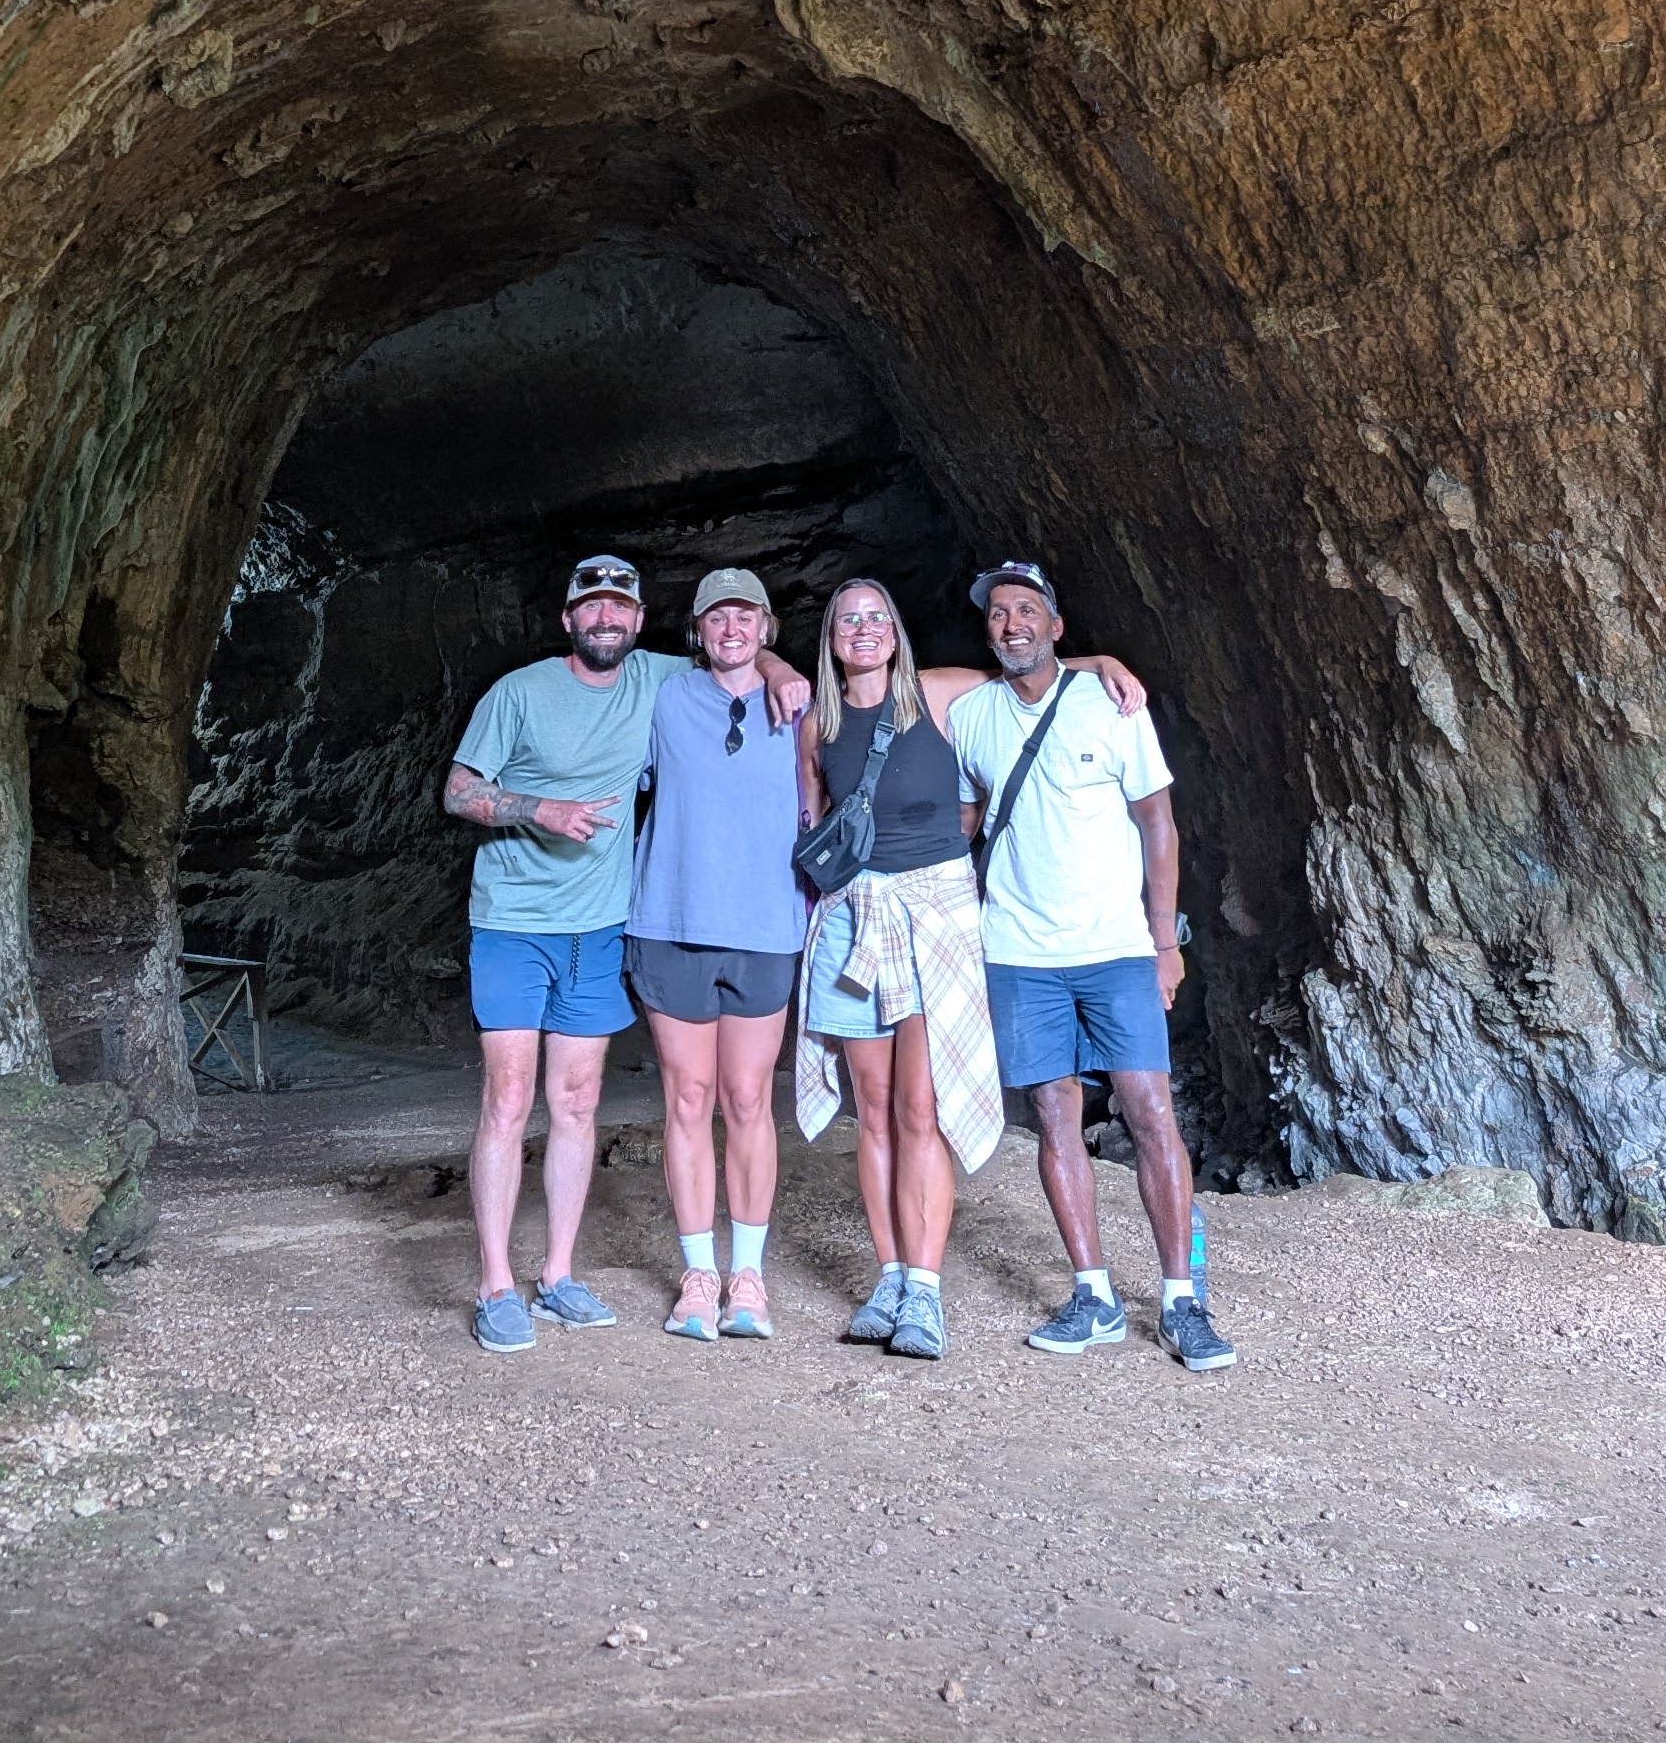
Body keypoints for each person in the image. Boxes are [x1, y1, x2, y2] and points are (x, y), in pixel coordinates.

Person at [443, 554, 807, 1353]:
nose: (606, 620)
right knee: (509, 1097)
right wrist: (539, 808)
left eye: (621, 609)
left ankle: (561, 1275)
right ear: (569, 618)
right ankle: (496, 1284)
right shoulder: (521, 692)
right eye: (592, 608)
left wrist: (780, 663)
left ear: (641, 624)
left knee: (576, 1103)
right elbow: (460, 791)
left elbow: (742, 649)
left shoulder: (661, 681)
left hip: (602, 922)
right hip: (512, 919)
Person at [794, 583, 1150, 1362]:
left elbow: (1029, 670)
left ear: (896, 631)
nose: (864, 629)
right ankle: (888, 1277)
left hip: (934, 918)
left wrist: (1102, 658)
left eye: (877, 617)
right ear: (831, 636)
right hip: (857, 919)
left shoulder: (939, 694)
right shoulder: (816, 722)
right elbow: (812, 821)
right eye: (848, 619)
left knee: (921, 1108)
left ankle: (924, 1290)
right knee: (876, 1106)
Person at [950, 558, 1235, 1373]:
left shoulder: (1112, 705)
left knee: (1149, 1110)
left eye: (1028, 610)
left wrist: (1165, 941)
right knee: (1053, 1115)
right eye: (999, 614)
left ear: (1057, 625)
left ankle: (1182, 1300)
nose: (1013, 625)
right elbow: (903, 679)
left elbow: (1159, 826)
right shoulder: (973, 716)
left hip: (1114, 949)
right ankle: (1094, 1293)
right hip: (1017, 952)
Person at [626, 565, 807, 1341]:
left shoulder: (802, 702)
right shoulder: (664, 695)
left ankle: (749, 1276)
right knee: (688, 1100)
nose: (731, 630)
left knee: (748, 1100)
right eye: (716, 619)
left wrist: (781, 668)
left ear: (766, 628)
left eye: (747, 619)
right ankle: (699, 1273)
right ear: (696, 632)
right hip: (672, 919)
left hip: (766, 926)